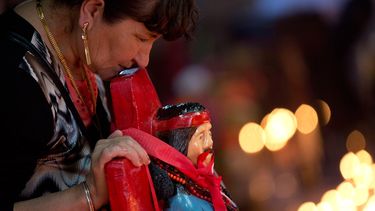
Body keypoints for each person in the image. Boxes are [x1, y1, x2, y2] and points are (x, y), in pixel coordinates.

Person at [0, 0, 198, 210]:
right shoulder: (13, 75)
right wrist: (89, 195)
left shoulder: (87, 52)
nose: (144, 60)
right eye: (141, 38)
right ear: (92, 10)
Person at [149, 102, 238, 210]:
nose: (209, 143)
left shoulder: (209, 182)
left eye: (209, 133)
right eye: (200, 137)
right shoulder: (183, 203)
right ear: (180, 142)